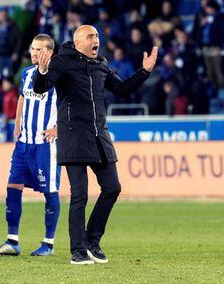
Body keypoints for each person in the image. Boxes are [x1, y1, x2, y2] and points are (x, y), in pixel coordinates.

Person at [33, 25, 157, 264]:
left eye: (97, 35)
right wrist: (42, 69)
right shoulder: (61, 62)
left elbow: (121, 89)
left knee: (113, 188)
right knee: (79, 195)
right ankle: (77, 251)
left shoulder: (101, 63)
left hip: (99, 135)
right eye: (90, 36)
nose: (96, 39)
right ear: (78, 42)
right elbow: (41, 87)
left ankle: (92, 240)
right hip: (74, 135)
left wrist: (144, 71)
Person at [0, 34, 60, 257]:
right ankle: (12, 241)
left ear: (49, 53)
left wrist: (58, 128)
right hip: (24, 143)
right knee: (12, 187)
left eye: (39, 50)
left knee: (49, 191)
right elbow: (22, 98)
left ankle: (48, 243)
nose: (33, 53)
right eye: (32, 49)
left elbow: (72, 104)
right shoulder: (27, 73)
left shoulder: (59, 75)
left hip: (45, 144)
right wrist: (17, 125)